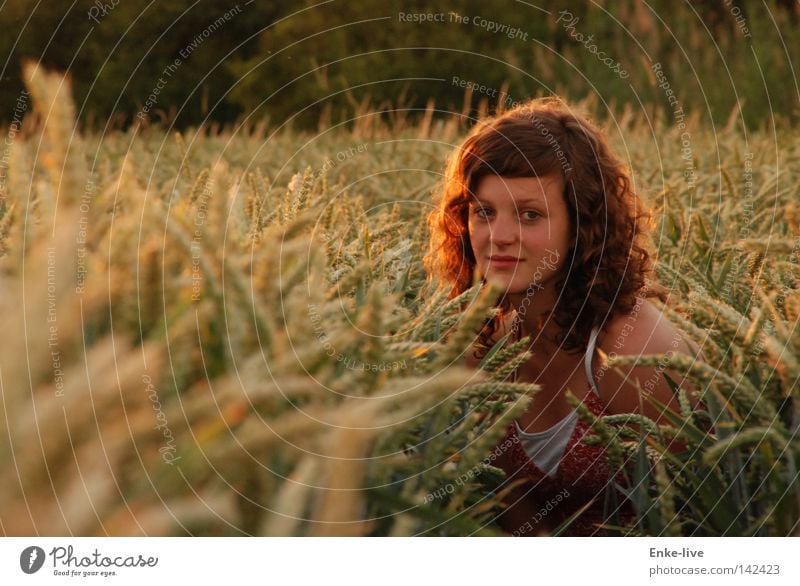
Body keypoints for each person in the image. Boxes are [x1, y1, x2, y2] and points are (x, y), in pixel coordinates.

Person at [423, 97, 703, 536]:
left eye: (529, 215)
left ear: (582, 224)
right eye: (484, 212)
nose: (499, 237)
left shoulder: (631, 352)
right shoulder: (475, 347)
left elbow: (709, 510)